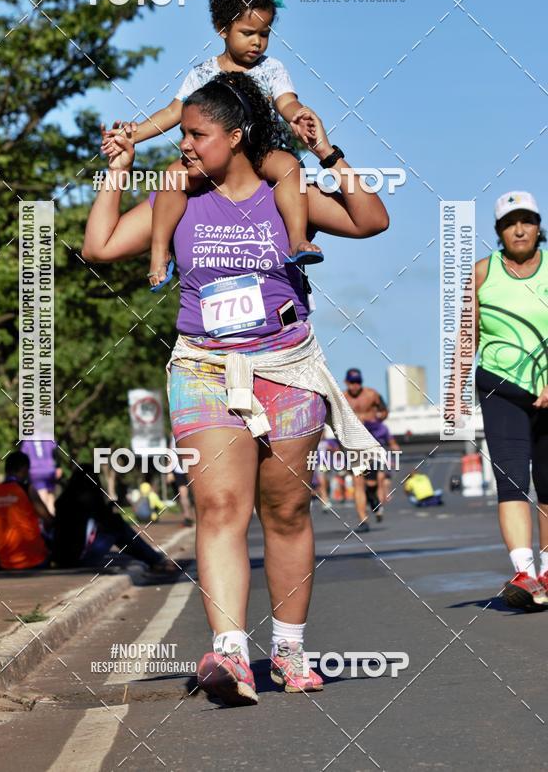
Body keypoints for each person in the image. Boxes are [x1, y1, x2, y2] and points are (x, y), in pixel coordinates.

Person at [86, 72, 389, 706]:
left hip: (286, 365)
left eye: (197, 135)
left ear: (236, 135)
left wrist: (329, 152)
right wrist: (118, 169)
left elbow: (371, 220)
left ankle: (288, 651)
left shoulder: (287, 191)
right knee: (221, 508)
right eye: (183, 135)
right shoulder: (178, 195)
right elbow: (100, 244)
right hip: (203, 367)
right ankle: (229, 656)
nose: (185, 145)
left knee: (285, 509)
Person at [101, 0, 330, 288]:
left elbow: (286, 102)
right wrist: (133, 135)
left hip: (258, 153)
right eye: (247, 33)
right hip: (212, 158)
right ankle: (158, 254)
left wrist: (298, 116)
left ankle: (297, 240)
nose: (257, 42)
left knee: (289, 166)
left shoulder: (272, 69)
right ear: (223, 30)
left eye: (264, 34)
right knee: (172, 177)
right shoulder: (203, 73)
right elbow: (173, 112)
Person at [470, 191, 548, 609]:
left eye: (527, 220)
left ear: (538, 225)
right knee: (513, 478)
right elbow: (467, 339)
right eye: (509, 222)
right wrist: (455, 400)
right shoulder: (482, 274)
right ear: (499, 232)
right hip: (501, 387)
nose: (519, 229)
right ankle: (524, 572)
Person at [52, 464, 177, 575]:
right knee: (118, 526)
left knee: (116, 527)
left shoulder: (62, 501)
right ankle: (155, 559)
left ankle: (153, 559)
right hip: (80, 558)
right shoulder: (87, 500)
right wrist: (109, 510)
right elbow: (103, 521)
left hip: (62, 558)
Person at [343, 369, 399, 528]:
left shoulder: (372, 394)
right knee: (358, 482)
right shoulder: (342, 398)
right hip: (354, 443)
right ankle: (363, 519)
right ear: (346, 382)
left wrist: (378, 417)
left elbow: (384, 410)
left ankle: (373, 497)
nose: (355, 386)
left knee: (372, 483)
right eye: (352, 382)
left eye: (358, 382)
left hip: (372, 441)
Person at [0, 452, 52, 571]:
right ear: (23, 469)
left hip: (5, 563)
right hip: (34, 560)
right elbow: (48, 519)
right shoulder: (27, 489)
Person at [19, 439, 61, 515]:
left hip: (36, 472)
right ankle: (52, 518)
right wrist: (58, 467)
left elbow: (23, 456)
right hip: (49, 470)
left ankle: (47, 522)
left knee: (42, 500)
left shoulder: (27, 440)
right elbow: (56, 452)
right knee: (50, 498)